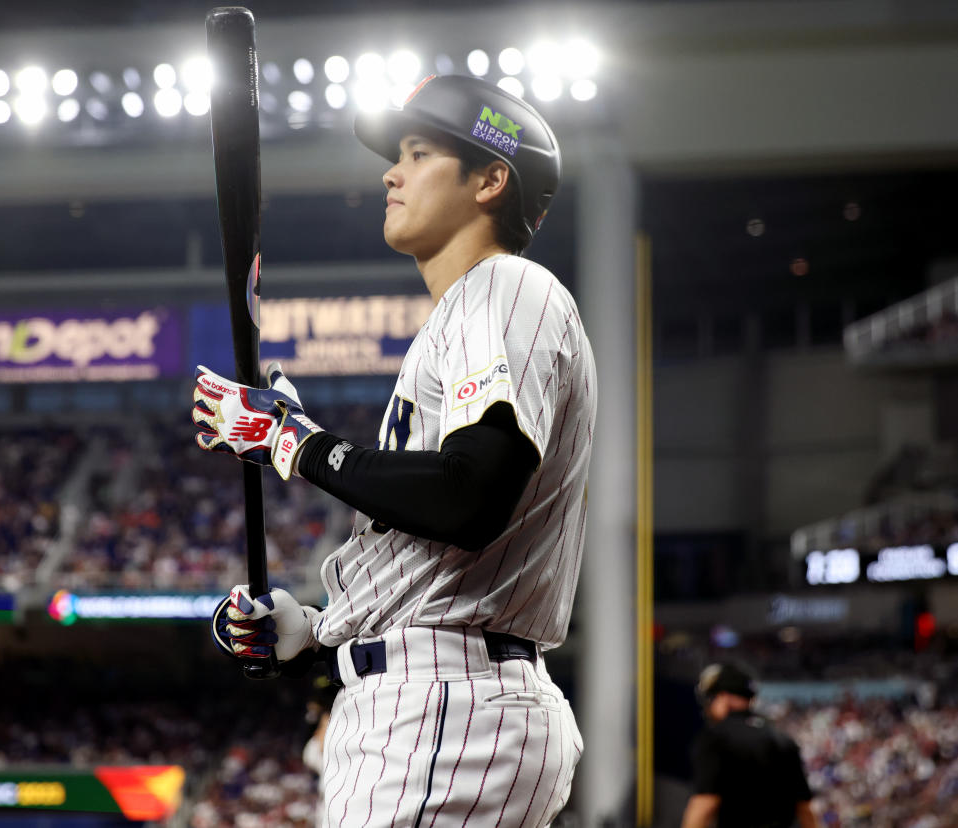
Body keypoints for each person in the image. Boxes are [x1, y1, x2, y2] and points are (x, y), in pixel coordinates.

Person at [193, 74, 595, 827]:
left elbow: (468, 497)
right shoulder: (461, 316)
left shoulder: (503, 288)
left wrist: (291, 441)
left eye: (418, 152)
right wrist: (314, 631)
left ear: (490, 179)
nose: (390, 171)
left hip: (447, 708)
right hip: (426, 706)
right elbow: (435, 540)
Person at [681, 663, 817, 828]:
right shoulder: (782, 739)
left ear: (724, 697)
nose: (709, 708)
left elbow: (705, 804)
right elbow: (805, 810)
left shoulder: (715, 738)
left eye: (711, 699)